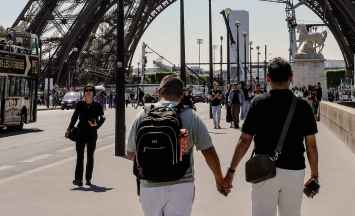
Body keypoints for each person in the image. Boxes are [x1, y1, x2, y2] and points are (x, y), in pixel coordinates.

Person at [223, 58, 320, 215]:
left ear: (268, 78)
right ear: (291, 77)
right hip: (294, 171)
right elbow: (311, 145)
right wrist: (314, 175)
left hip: (264, 170)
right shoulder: (302, 105)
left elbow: (244, 141)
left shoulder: (258, 102)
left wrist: (231, 171)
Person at [126, 76, 227, 215]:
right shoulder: (191, 115)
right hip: (181, 183)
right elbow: (208, 151)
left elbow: (130, 153)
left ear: (159, 92)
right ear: (181, 96)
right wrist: (219, 179)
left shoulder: (143, 114)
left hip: (148, 185)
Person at [65, 83, 106, 187]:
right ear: (84, 92)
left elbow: (103, 117)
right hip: (80, 133)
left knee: (90, 156)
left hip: (92, 133)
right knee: (80, 156)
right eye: (86, 90)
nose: (88, 92)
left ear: (93, 93)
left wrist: (97, 124)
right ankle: (78, 179)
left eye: (90, 90)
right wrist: (69, 128)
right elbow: (74, 117)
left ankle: (88, 178)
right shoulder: (80, 104)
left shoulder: (97, 105)